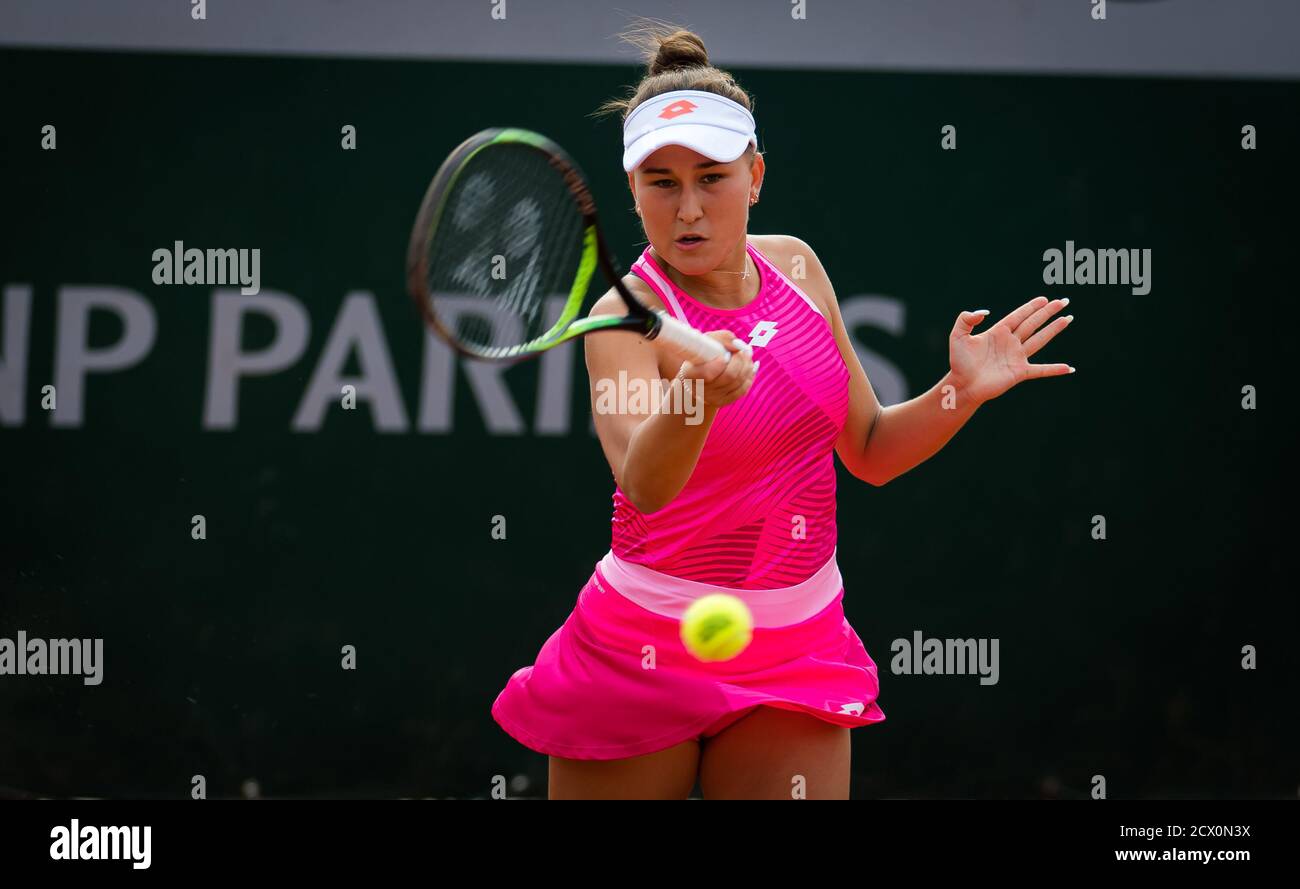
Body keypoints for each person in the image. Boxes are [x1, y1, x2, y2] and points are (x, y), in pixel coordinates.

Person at [491, 25, 1073, 800]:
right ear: (631, 189)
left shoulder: (797, 266)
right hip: (643, 647)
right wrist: (697, 397)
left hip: (797, 641)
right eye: (661, 182)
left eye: (712, 176)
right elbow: (645, 486)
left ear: (756, 174)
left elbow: (868, 448)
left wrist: (955, 393)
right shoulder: (619, 322)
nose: (689, 208)